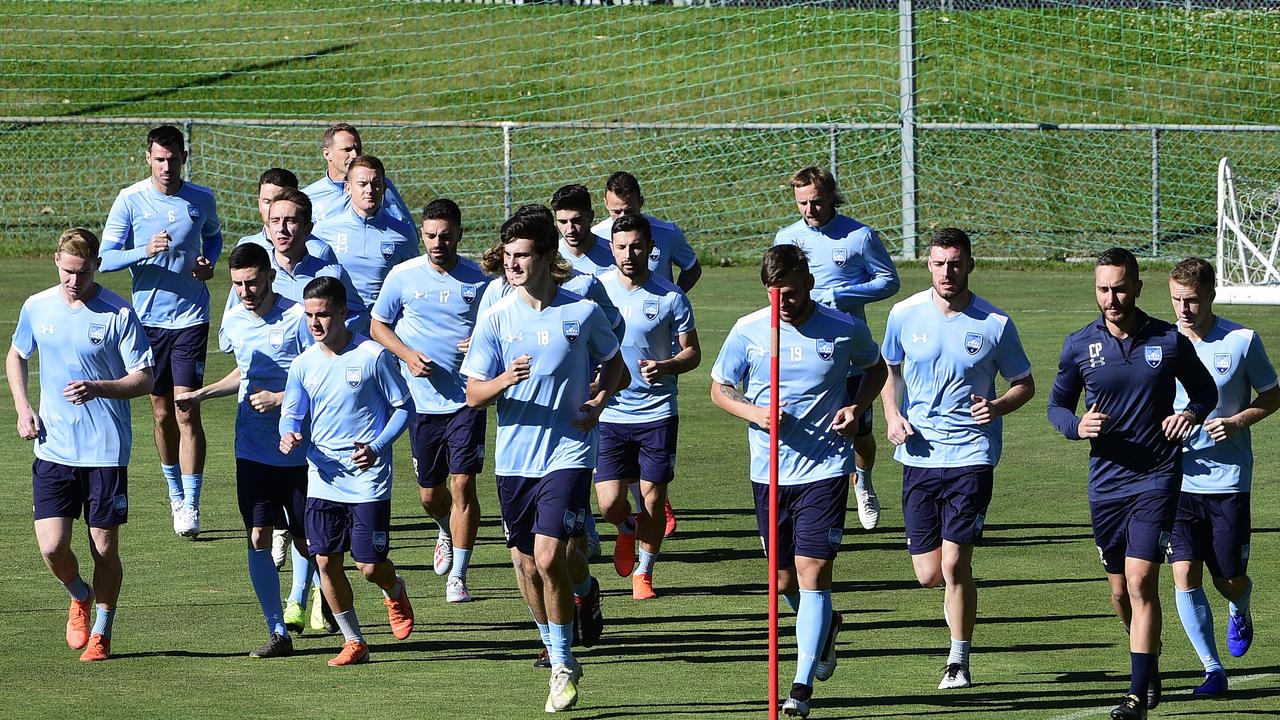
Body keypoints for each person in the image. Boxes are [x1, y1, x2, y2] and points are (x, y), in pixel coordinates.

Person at [461, 207, 627, 712]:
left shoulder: (581, 312)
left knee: (550, 555)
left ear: (547, 257)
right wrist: (504, 381)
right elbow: (472, 395)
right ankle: (578, 610)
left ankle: (559, 665)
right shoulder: (495, 318)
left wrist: (598, 404)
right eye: (508, 256)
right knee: (526, 563)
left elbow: (616, 368)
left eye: (523, 255)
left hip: (569, 453)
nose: (513, 264)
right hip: (515, 461)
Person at [710, 244, 886, 718]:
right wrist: (755, 413)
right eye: (773, 294)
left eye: (788, 292)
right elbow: (720, 387)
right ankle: (826, 627)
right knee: (783, 578)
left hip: (825, 469)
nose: (781, 302)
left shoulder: (843, 327)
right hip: (769, 472)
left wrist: (857, 408)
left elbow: (876, 369)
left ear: (807, 281)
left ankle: (801, 687)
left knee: (813, 573)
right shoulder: (749, 330)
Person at [1047, 247, 1218, 720]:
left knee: (1142, 581)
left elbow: (1205, 391)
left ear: (1137, 287)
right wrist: (1075, 426)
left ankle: (1135, 696)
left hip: (1157, 477)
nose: (1111, 298)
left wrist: (1189, 415)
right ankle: (1150, 664)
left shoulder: (1168, 339)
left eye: (1119, 288)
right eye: (1103, 289)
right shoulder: (1079, 345)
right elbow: (1057, 407)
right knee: (1120, 592)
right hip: (1106, 484)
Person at [879, 228, 1033, 690]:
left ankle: (958, 659)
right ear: (929, 264)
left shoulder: (994, 323)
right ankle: (957, 641)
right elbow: (888, 369)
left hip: (972, 453)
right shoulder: (904, 314)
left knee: (953, 564)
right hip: (919, 455)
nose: (948, 271)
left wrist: (998, 405)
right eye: (939, 262)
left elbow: (1024, 383)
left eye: (956, 262)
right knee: (928, 574)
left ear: (970, 264)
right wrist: (891, 415)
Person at [7, 227, 155, 661]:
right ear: (57, 262)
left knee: (104, 546)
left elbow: (145, 378)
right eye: (68, 272)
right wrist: (23, 407)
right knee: (52, 546)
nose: (75, 282)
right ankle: (79, 595)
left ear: (97, 266)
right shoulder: (37, 306)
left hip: (106, 452)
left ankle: (102, 633)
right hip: (53, 447)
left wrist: (101, 387)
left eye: (84, 273)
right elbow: (17, 354)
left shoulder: (118, 313)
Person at [174, 243, 313, 658]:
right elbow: (244, 372)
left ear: (270, 276)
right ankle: (278, 631)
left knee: (310, 542)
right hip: (252, 448)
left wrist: (280, 399)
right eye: (237, 284)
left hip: (302, 450)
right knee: (257, 536)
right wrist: (204, 393)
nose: (245, 291)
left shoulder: (298, 318)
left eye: (252, 282)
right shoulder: (233, 319)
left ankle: (304, 601)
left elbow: (322, 373)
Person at [279, 276, 416, 666]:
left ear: (342, 312)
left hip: (368, 479)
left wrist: (376, 447)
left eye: (322, 314)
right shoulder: (303, 364)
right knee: (325, 561)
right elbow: (292, 411)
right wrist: (288, 433)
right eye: (309, 316)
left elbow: (403, 408)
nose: (315, 323)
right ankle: (355, 641)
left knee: (369, 566)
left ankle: (394, 590)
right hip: (322, 477)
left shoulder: (372, 356)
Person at [99, 124, 223, 538]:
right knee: (161, 411)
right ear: (148, 159)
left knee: (187, 407)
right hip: (148, 322)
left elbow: (214, 237)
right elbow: (105, 259)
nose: (166, 166)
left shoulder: (201, 198)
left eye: (173, 158)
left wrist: (209, 264)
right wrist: (144, 250)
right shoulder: (130, 200)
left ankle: (193, 501)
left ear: (184, 158)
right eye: (159, 159)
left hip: (191, 318)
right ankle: (173, 493)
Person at [1166, 257, 1278, 698]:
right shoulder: (1161, 341)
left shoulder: (1242, 340)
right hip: (1176, 479)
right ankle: (1212, 669)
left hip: (1229, 479)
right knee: (1184, 572)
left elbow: (1272, 394)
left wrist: (1237, 422)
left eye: (1191, 300)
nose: (1183, 310)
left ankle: (1240, 606)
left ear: (1211, 294)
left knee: (1227, 575)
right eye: (1176, 299)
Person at [370, 198, 490, 603]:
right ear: (422, 235)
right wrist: (407, 355)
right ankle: (444, 528)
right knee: (429, 495)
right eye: (430, 235)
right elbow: (377, 325)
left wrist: (480, 340)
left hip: (466, 401)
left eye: (445, 235)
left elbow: (502, 322)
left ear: (459, 234)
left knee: (463, 485)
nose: (438, 242)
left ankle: (458, 574)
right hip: (420, 403)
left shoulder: (480, 280)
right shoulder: (403, 276)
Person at [775, 165, 900, 532]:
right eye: (802, 203)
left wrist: (841, 295)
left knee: (858, 430)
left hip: (848, 354)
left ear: (831, 196)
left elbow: (889, 281)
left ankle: (863, 481)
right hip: (803, 355)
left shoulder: (859, 236)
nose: (809, 210)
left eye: (815, 202)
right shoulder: (786, 237)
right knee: (806, 428)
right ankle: (813, 499)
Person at [595, 213, 700, 600]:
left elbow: (693, 353)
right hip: (610, 412)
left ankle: (645, 571)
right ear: (611, 248)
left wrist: (667, 365)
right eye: (621, 246)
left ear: (650, 248)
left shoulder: (670, 296)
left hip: (657, 413)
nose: (629, 253)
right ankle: (625, 529)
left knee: (653, 497)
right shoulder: (597, 291)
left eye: (636, 246)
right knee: (608, 503)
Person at [312, 154, 419, 315]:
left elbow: (414, 281)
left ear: (383, 188)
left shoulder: (403, 233)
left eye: (376, 184)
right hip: (341, 324)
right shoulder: (324, 230)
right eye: (362, 184)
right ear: (348, 188)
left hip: (385, 324)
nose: (369, 190)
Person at [301, 123, 414, 226]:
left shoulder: (378, 186)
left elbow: (405, 227)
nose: (355, 155)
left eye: (358, 149)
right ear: (327, 154)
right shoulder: (309, 196)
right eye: (347, 149)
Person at [239, 168, 336, 263]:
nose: (272, 208)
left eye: (279, 202)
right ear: (259, 204)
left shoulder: (319, 252)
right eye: (267, 202)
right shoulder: (246, 245)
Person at [553, 184, 614, 276]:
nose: (570, 230)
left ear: (591, 217)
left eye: (576, 221)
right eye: (563, 222)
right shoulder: (551, 259)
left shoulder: (615, 254)